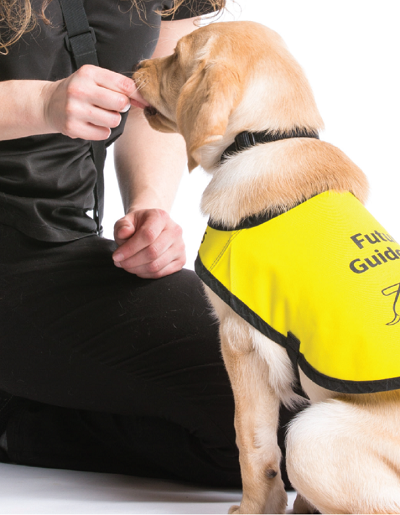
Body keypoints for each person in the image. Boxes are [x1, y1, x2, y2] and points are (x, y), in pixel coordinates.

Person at [0, 0, 292, 488]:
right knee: (267, 435)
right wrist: (40, 103)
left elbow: (152, 101)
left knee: (299, 403)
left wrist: (148, 207)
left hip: (61, 244)